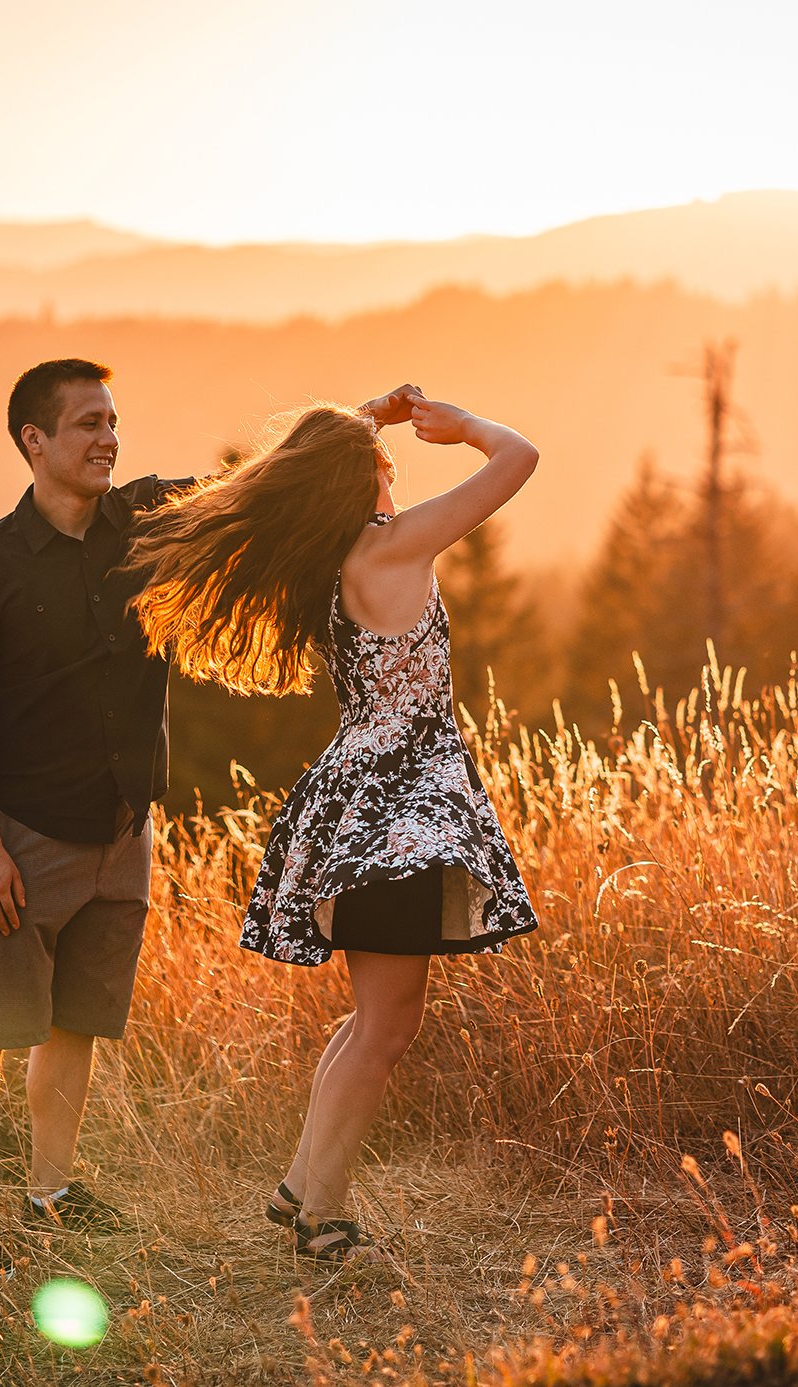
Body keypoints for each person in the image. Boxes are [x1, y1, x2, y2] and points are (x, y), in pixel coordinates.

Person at [0, 357, 419, 1277]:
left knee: (77, 1021)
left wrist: (366, 421)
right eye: (85, 425)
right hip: (23, 834)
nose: (108, 437)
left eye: (112, 420)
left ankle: (52, 1190)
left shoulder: (144, 519)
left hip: (122, 829)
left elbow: (269, 482)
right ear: (33, 441)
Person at [124, 389, 541, 1261]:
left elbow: (312, 458)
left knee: (372, 1019)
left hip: (363, 804)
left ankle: (302, 1183)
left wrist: (371, 419)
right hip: (401, 814)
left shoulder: (332, 556)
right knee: (386, 1026)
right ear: (367, 480)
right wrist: (463, 427)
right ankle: (325, 1216)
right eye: (385, 465)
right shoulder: (392, 547)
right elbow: (519, 460)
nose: (395, 474)